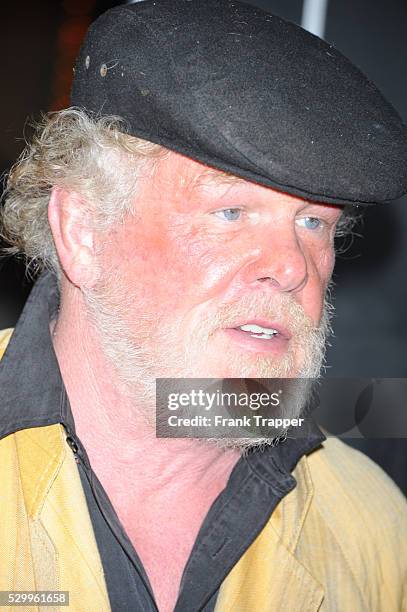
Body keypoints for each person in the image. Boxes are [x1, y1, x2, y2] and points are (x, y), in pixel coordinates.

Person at [1, 1, 407, 610]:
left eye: (314, 224)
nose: (292, 265)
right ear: (84, 230)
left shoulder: (370, 524)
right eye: (230, 212)